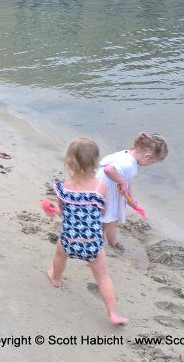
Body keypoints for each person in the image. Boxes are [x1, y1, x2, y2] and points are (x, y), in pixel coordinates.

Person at [43, 138, 129, 326]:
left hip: (69, 240)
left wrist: (50, 208)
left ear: (69, 163)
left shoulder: (63, 188)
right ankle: (113, 314)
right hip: (93, 243)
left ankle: (55, 277)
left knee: (59, 254)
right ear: (96, 164)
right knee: (103, 276)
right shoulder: (102, 188)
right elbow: (103, 213)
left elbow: (62, 213)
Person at [96, 132, 168, 248]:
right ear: (147, 156)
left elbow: (126, 178)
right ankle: (113, 244)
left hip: (101, 186)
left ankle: (97, 237)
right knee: (112, 220)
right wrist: (122, 182)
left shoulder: (127, 155)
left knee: (103, 216)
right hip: (107, 191)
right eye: (152, 162)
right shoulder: (128, 164)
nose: (151, 164)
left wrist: (131, 198)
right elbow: (109, 170)